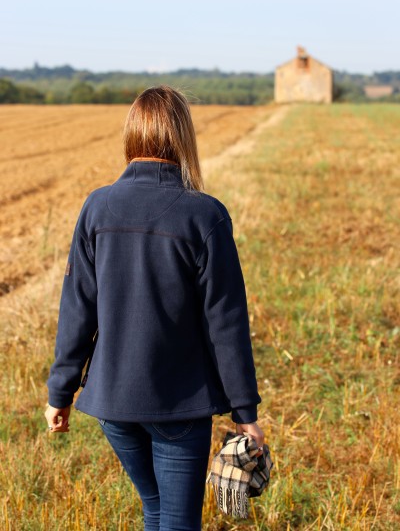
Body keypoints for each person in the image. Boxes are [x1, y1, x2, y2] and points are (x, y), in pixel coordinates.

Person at [45, 85, 264, 531]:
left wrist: (59, 394)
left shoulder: (96, 207)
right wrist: (245, 414)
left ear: (133, 133)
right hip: (179, 406)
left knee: (157, 509)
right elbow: (227, 324)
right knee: (176, 522)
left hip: (113, 406)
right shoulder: (205, 215)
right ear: (183, 137)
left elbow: (77, 309)